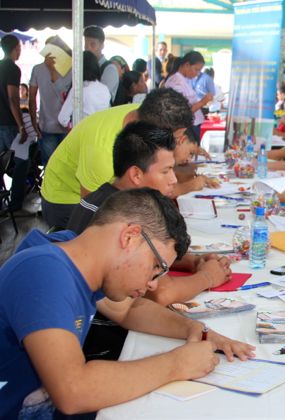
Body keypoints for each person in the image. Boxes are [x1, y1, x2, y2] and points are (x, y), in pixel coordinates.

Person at [0, 188, 256, 418]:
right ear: (131, 237)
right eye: (156, 266)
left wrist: (196, 330)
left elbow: (130, 311)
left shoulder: (74, 254)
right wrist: (177, 363)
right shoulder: (44, 273)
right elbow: (73, 391)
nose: (154, 284)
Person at [66, 122, 231, 361]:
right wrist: (208, 277)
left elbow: (146, 258)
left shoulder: (107, 198)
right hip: (106, 345)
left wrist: (191, 262)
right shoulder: (116, 219)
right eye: (166, 171)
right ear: (136, 174)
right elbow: (158, 294)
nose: (174, 180)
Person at [40, 88, 193, 229]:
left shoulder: (144, 115)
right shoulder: (103, 152)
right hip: (67, 200)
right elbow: (93, 211)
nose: (176, 144)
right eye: (175, 138)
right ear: (154, 131)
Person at [28, 36, 72, 165]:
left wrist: (34, 122)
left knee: (50, 165)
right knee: (64, 165)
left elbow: (32, 98)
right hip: (61, 126)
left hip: (51, 125)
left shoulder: (38, 69)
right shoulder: (71, 69)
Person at [0, 34, 29, 213]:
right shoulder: (13, 69)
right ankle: (16, 203)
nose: (20, 51)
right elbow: (12, 98)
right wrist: (21, 125)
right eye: (19, 47)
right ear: (15, 48)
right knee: (21, 162)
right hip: (9, 124)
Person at [164, 51, 213, 137]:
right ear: (187, 65)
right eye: (196, 69)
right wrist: (203, 102)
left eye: (199, 71)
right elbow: (183, 112)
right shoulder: (175, 82)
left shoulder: (185, 79)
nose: (197, 73)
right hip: (187, 128)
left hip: (193, 125)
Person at [57, 51, 110, 128]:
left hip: (83, 134)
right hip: (100, 134)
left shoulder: (78, 90)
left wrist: (73, 126)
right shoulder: (105, 89)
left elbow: (62, 118)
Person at [83, 26, 119, 102]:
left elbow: (100, 97)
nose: (88, 49)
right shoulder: (83, 66)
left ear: (102, 45)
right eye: (86, 45)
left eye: (93, 45)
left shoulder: (110, 69)